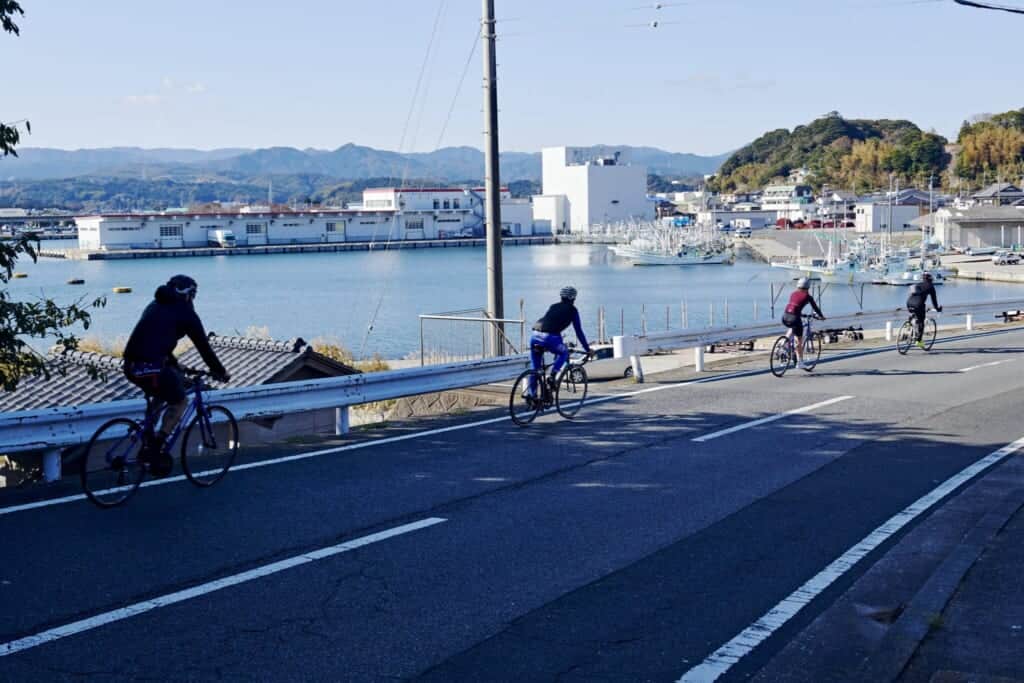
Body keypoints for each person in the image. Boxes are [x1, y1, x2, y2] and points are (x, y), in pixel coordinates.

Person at [123, 275, 230, 474]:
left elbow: (155, 338)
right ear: (188, 295)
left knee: (163, 391)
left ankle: (147, 436)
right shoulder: (186, 313)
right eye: (193, 295)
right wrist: (220, 372)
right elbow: (204, 348)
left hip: (131, 365)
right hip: (151, 366)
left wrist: (175, 364)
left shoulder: (154, 305)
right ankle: (157, 443)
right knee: (180, 400)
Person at [527, 286, 591, 398]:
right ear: (573, 298)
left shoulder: (553, 306)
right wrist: (587, 349)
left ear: (561, 296)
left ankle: (531, 396)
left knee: (535, 369)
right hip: (550, 337)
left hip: (535, 335)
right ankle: (552, 376)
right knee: (564, 352)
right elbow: (579, 332)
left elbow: (550, 322)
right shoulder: (573, 310)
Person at [781, 277, 825, 371]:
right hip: (794, 318)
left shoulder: (793, 293)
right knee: (799, 341)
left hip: (785, 316)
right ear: (808, 287)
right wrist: (821, 316)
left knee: (792, 327)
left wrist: (800, 313)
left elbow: (794, 306)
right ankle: (800, 363)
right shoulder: (808, 297)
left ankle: (784, 343)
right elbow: (816, 308)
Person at [906, 272, 941, 348]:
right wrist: (937, 309)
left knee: (914, 313)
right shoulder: (931, 287)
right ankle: (918, 341)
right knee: (921, 321)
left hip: (909, 303)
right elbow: (934, 301)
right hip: (918, 305)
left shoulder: (918, 284)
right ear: (931, 279)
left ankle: (909, 323)